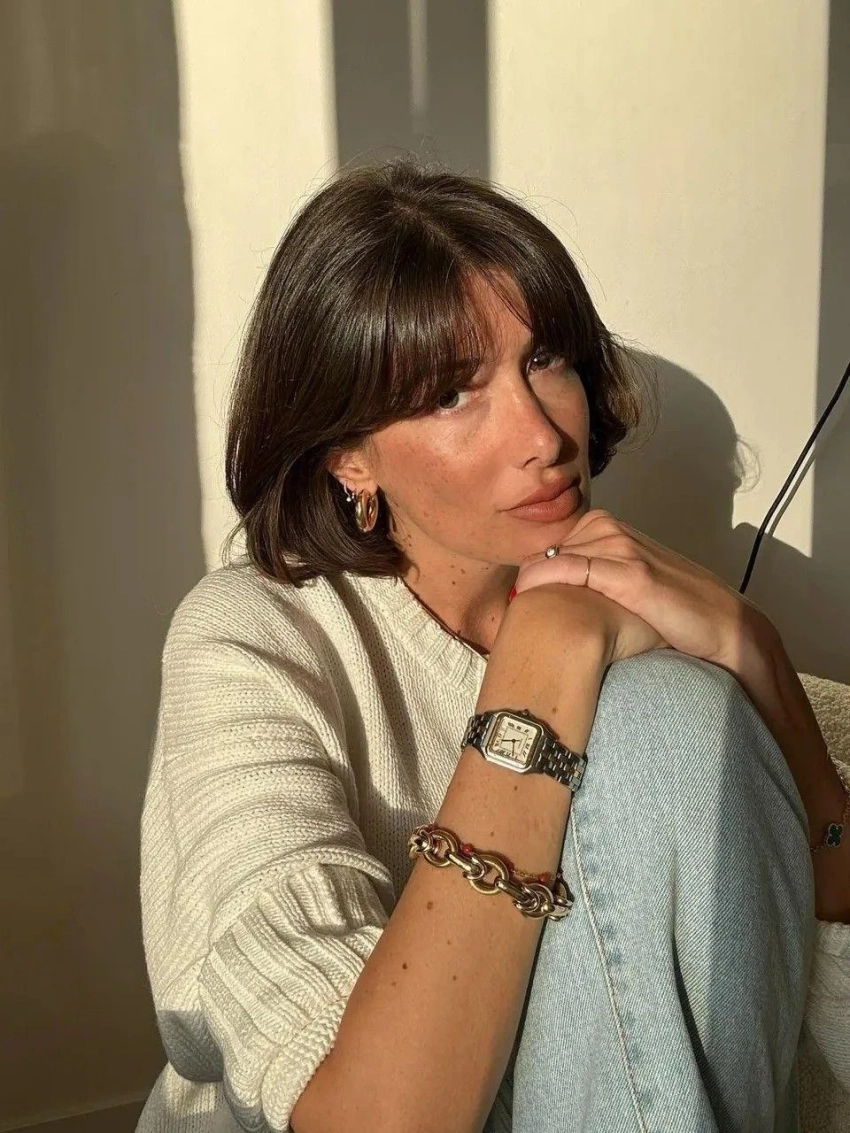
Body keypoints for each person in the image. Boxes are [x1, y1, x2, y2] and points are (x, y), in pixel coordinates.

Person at [136, 157, 850, 1133]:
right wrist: (543, 661)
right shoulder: (253, 641)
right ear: (347, 456)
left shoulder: (638, 607)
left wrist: (751, 650)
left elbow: (820, 1020)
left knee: (673, 706)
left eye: (545, 358)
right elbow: (365, 1119)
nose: (543, 435)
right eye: (449, 394)